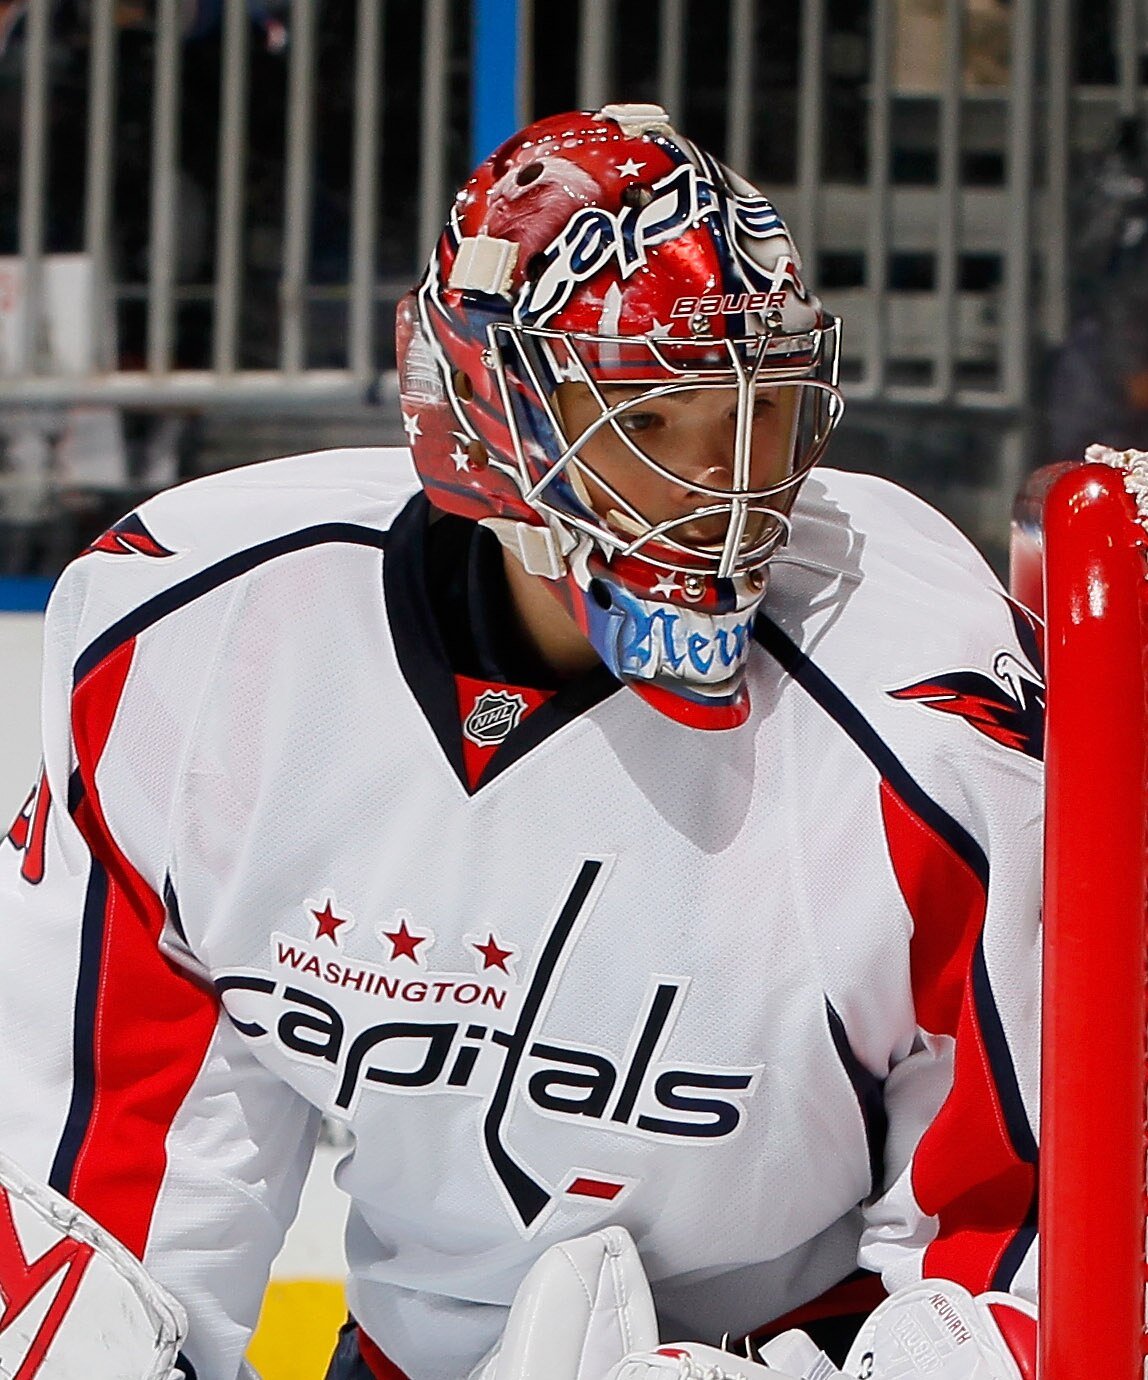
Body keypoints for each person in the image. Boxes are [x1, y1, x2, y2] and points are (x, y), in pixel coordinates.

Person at [0, 105, 1043, 1380]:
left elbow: (1029, 1238)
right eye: (652, 423)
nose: (729, 492)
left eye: (759, 412)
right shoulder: (198, 641)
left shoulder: (930, 712)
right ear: (490, 421)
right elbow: (114, 1189)